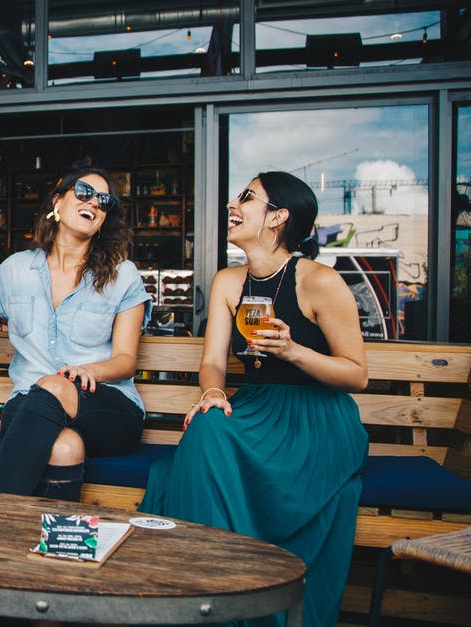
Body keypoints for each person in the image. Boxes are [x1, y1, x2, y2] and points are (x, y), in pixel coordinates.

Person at [140, 171, 369, 627]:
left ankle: (249, 601)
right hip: (256, 408)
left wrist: (294, 351)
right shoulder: (229, 282)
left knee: (202, 448)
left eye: (246, 197)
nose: (232, 204)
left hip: (315, 420)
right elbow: (214, 363)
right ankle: (207, 604)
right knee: (206, 428)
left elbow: (357, 374)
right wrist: (211, 393)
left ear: (278, 217)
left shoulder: (320, 281)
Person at [0, 168, 151, 502]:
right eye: (85, 191)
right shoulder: (14, 270)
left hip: (105, 406)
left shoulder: (123, 275)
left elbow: (125, 361)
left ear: (103, 220)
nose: (95, 202)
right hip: (29, 406)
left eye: (104, 202)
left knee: (56, 384)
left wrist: (88, 371)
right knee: (64, 447)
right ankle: (56, 545)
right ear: (58, 201)